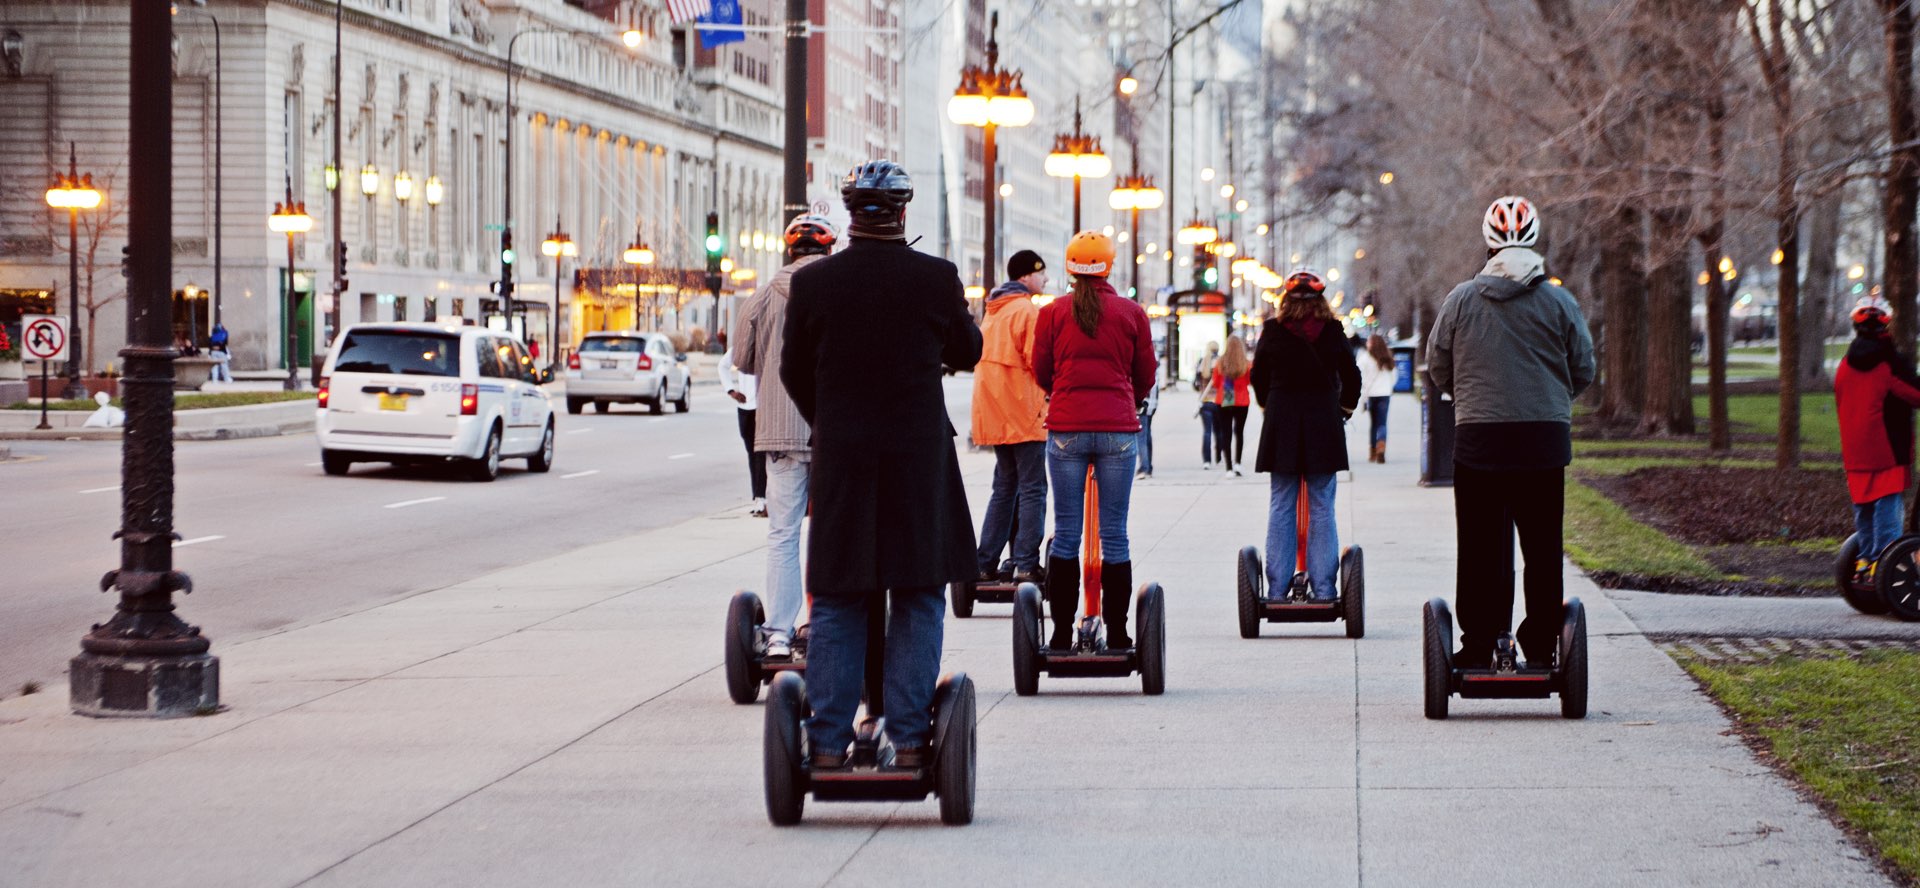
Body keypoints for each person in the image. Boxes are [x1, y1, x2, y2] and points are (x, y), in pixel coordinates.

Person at [781, 160, 981, 769]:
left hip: (844, 459)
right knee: (919, 592)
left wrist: (833, 421)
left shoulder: (814, 284)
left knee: (840, 594)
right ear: (902, 212)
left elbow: (793, 371)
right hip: (917, 461)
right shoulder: (935, 278)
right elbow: (969, 352)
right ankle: (913, 738)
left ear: (850, 215)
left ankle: (827, 742)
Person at [1429, 195, 1596, 669]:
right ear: (1534, 239)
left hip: (1480, 439)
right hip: (1542, 441)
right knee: (1542, 549)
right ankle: (1542, 644)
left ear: (1488, 243)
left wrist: (1470, 397)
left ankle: (1481, 642)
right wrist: (1551, 400)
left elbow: (1438, 364)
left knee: (1481, 546)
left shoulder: (1461, 300)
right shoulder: (1560, 301)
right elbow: (1582, 367)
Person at [1031, 231, 1157, 650]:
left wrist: (1061, 393)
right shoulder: (1130, 312)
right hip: (1117, 431)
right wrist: (1130, 399)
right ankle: (1120, 635)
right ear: (1109, 265)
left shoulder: (1052, 312)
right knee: (1114, 535)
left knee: (1066, 533)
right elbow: (1146, 372)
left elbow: (1041, 368)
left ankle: (1062, 635)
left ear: (1069, 267)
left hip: (1066, 428)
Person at [733, 211, 837, 657]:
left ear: (788, 250)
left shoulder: (760, 298)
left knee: (783, 532)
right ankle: (825, 625)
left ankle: (777, 633)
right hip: (833, 429)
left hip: (779, 430)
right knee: (830, 531)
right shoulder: (841, 292)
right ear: (828, 250)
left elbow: (743, 360)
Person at [1252, 268, 1361, 600]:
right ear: (1321, 302)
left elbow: (1258, 376)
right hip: (1323, 422)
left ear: (1285, 301)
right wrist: (1344, 408)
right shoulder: (1332, 331)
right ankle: (1325, 588)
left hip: (1282, 420)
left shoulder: (1272, 331)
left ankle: (1276, 589)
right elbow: (1351, 376)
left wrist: (1267, 406)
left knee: (1281, 504)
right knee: (1323, 505)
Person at [971, 248, 1051, 584]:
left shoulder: (994, 310)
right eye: (1041, 273)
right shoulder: (1025, 312)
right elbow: (1039, 363)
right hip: (1024, 412)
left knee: (1004, 487)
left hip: (995, 413)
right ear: (1025, 276)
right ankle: (1026, 562)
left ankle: (985, 560)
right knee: (1034, 488)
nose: (1045, 279)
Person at [1834, 297, 1920, 583]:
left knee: (1865, 508)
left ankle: (1866, 562)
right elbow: (1914, 393)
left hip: (1855, 450)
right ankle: (1885, 562)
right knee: (1888, 508)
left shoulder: (1845, 364)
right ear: (1886, 324)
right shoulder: (1889, 363)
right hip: (1886, 449)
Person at [717, 349, 767, 517]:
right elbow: (722, 365)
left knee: (760, 454)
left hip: (762, 407)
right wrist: (731, 391)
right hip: (744, 408)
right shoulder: (741, 345)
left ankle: (762, 499)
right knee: (752, 454)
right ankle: (758, 498)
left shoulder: (768, 340)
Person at [1205, 336, 1253, 476]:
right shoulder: (1246, 364)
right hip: (1242, 399)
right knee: (1239, 432)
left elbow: (1216, 381)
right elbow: (1249, 380)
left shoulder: (1221, 362)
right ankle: (1238, 462)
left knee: (1226, 433)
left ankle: (1228, 467)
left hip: (1225, 397)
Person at [1358, 333, 1397, 463]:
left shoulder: (1365, 358)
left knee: (1373, 424)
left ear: (1372, 343)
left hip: (1371, 395)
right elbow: (1394, 375)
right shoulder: (1387, 357)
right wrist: (1388, 387)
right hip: (1385, 394)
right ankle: (1381, 448)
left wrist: (1362, 394)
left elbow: (1360, 377)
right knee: (1382, 423)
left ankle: (1373, 452)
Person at [1196, 340, 1221, 468]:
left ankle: (1207, 460)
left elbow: (1195, 384)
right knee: (1219, 431)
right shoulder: (1221, 363)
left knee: (1207, 431)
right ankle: (1218, 457)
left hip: (1205, 401)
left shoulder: (1202, 362)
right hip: (1218, 401)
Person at [1136, 371, 1159, 479]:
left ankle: (1144, 468)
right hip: (1151, 403)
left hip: (1143, 403)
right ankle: (1148, 466)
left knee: (1141, 438)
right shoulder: (1155, 363)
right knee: (1147, 436)